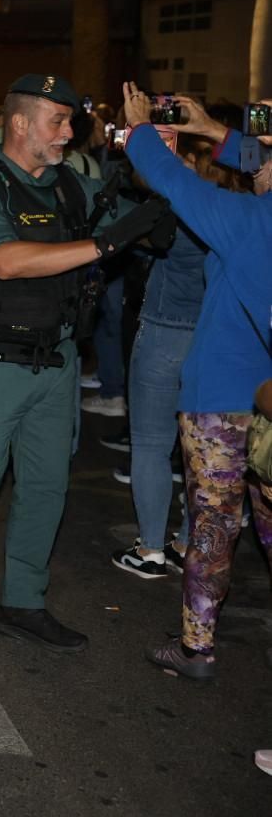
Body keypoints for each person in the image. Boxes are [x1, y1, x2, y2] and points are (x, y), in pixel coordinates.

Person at [0, 74, 167, 652]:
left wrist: (159, 159)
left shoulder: (70, 188)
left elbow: (152, 223)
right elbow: (6, 262)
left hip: (57, 361)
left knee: (46, 486)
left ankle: (24, 601)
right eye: (57, 122)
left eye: (71, 122)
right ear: (19, 124)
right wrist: (108, 245)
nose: (68, 133)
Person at [119, 86, 272, 680]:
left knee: (212, 524)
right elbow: (256, 166)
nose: (255, 162)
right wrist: (210, 128)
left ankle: (195, 648)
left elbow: (177, 185)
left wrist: (137, 131)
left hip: (222, 400)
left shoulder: (249, 220)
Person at [110, 134, 220, 580]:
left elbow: (127, 234)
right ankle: (188, 539)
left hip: (165, 332)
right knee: (203, 451)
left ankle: (151, 548)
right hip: (215, 337)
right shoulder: (233, 207)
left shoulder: (175, 207)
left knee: (153, 445)